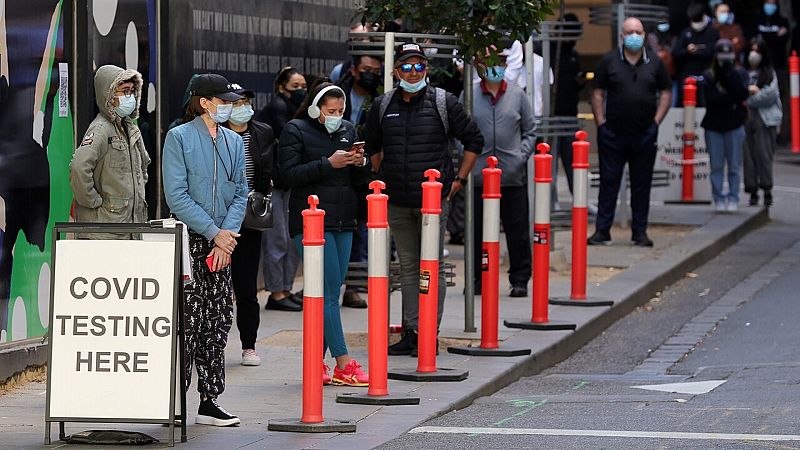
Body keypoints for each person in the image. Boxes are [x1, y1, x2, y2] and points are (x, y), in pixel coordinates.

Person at [364, 43, 484, 355]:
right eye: (406, 66)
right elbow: (372, 145)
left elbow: (474, 140)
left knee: (432, 265)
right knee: (407, 266)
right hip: (398, 201)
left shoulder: (444, 102)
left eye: (419, 66)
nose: (413, 72)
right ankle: (411, 331)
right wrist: (384, 175)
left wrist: (458, 180)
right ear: (395, 71)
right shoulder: (382, 104)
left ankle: (430, 332)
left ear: (427, 70)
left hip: (433, 202)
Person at [162, 73, 248, 426]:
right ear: (203, 102)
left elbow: (241, 191)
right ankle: (175, 400)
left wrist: (227, 235)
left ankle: (210, 399)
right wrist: (215, 233)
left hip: (222, 243)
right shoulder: (179, 137)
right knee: (187, 318)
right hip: (191, 240)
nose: (228, 106)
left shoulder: (233, 140)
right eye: (222, 100)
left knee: (218, 319)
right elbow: (176, 195)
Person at [277, 80, 372, 386]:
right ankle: (344, 362)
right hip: (311, 221)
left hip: (344, 219)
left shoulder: (348, 129)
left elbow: (359, 182)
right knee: (328, 294)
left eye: (341, 110)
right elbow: (288, 174)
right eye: (331, 110)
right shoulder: (295, 129)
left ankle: (316, 362)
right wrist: (327, 164)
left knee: (332, 291)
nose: (336, 115)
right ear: (316, 108)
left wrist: (360, 163)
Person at [589, 17, 672, 247]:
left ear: (644, 34)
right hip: (613, 133)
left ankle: (640, 232)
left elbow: (666, 91)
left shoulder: (655, 62)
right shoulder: (609, 61)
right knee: (608, 183)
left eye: (638, 31)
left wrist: (656, 121)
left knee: (641, 184)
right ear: (622, 36)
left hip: (644, 133)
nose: (634, 35)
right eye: (630, 32)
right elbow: (597, 91)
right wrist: (601, 122)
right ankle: (602, 231)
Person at [468, 47, 536, 298]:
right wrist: (468, 159)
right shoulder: (471, 95)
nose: (496, 68)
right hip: (478, 176)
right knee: (476, 232)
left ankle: (520, 279)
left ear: (507, 66)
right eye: (489, 63)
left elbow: (530, 131)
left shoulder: (518, 95)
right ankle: (477, 278)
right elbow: (461, 132)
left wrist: (521, 157)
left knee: (517, 231)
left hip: (511, 176)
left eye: (500, 62)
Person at [223, 84, 275, 366]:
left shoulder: (262, 132)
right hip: (217, 218)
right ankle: (212, 343)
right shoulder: (215, 132)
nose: (242, 106)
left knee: (246, 287)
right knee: (217, 288)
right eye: (236, 102)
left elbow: (268, 169)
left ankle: (249, 346)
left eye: (246, 101)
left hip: (249, 218)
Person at [70, 65, 150, 238]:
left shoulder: (130, 128)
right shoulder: (100, 129)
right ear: (109, 94)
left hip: (130, 228)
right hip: (105, 232)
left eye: (132, 91)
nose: (131, 96)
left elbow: (143, 166)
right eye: (125, 91)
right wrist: (93, 202)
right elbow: (78, 168)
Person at [259, 66, 307, 311]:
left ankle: (286, 288)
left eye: (303, 87)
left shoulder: (297, 111)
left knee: (291, 239)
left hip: (290, 183)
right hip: (276, 184)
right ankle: (276, 292)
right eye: (295, 86)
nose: (300, 91)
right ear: (281, 87)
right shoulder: (278, 109)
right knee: (277, 240)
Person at [338, 54, 383, 309]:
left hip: (364, 171)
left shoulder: (379, 98)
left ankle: (353, 286)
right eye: (366, 69)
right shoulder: (339, 92)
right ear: (354, 70)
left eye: (375, 70)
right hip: (337, 168)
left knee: (359, 230)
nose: (371, 74)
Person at [700, 39, 748, 212]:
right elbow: (711, 98)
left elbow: (741, 94)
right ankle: (719, 197)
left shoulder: (738, 73)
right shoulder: (709, 75)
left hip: (734, 124)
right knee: (716, 165)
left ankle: (733, 196)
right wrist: (727, 95)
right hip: (714, 125)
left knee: (734, 165)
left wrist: (730, 77)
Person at [743, 37, 781, 207]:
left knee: (764, 154)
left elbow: (770, 96)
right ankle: (752, 190)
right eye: (752, 50)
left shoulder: (769, 73)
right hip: (746, 118)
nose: (754, 54)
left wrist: (750, 99)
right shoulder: (742, 72)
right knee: (748, 156)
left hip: (764, 119)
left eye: (758, 51)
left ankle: (767, 190)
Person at [754, 0, 790, 143]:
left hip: (778, 65)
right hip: (761, 67)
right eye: (767, 2)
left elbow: (781, 41)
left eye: (772, 3)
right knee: (760, 97)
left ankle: (778, 132)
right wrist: (774, 36)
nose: (769, 6)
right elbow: (757, 40)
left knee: (778, 98)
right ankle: (759, 129)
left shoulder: (782, 20)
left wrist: (766, 37)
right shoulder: (759, 19)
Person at [673, 3, 720, 105]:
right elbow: (676, 53)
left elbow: (711, 52)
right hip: (687, 75)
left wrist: (697, 51)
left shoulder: (712, 32)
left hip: (706, 74)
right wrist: (688, 51)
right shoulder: (686, 33)